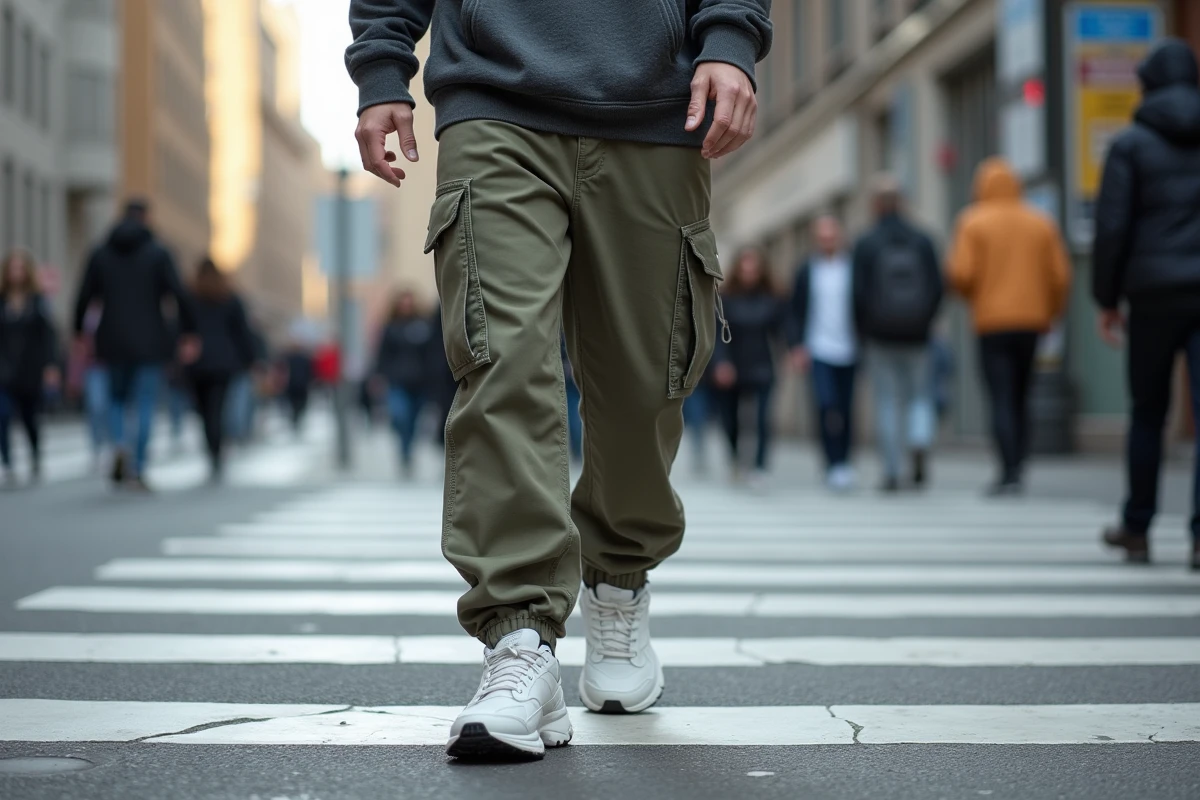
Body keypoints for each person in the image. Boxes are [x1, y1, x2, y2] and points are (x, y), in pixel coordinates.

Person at [348, 0, 770, 759]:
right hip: (492, 97)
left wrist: (731, 37)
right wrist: (382, 67)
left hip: (657, 104)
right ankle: (520, 640)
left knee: (646, 383)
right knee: (500, 364)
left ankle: (619, 580)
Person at [1090, 39, 1200, 571]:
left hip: (1153, 294)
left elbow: (1112, 228)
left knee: (1148, 413)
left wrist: (1107, 298)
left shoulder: (1130, 145)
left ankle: (1137, 527)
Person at [948, 158, 1071, 496]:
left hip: (991, 323)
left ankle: (1008, 470)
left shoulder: (973, 221)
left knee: (1000, 395)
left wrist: (975, 297)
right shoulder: (1040, 222)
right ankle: (1020, 464)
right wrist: (1050, 311)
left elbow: (960, 274)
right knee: (1022, 394)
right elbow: (1060, 277)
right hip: (1032, 322)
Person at [73, 200, 198, 491]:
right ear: (147, 218)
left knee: (116, 399)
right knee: (144, 403)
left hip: (111, 337)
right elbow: (179, 293)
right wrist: (189, 332)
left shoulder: (101, 252)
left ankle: (119, 443)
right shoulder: (158, 253)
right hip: (151, 340)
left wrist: (78, 332)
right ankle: (138, 466)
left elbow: (84, 295)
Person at [854, 178, 944, 493]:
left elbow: (858, 294)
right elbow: (937, 286)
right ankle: (919, 439)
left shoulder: (867, 243)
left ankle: (892, 471)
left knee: (887, 401)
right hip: (918, 334)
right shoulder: (922, 240)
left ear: (876, 205)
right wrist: (926, 321)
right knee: (920, 395)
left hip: (880, 336)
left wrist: (863, 330)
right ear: (902, 202)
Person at [787, 216, 859, 491]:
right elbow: (794, 310)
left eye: (831, 236)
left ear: (839, 237)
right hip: (817, 349)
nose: (827, 241)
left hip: (850, 349)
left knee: (846, 408)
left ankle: (844, 462)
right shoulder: (807, 270)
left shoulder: (852, 267)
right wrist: (796, 346)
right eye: (822, 237)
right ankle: (830, 461)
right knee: (825, 405)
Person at [712, 247, 784, 489]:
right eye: (745, 269)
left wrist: (794, 349)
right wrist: (721, 363)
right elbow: (717, 334)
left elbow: (783, 329)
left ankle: (760, 466)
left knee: (763, 419)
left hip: (762, 364)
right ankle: (735, 458)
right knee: (731, 419)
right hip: (732, 366)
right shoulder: (725, 299)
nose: (749, 274)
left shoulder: (772, 298)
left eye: (754, 270)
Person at [187, 259, 256, 482]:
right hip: (224, 362)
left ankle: (213, 449)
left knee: (205, 411)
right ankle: (216, 451)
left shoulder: (191, 297)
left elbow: (181, 328)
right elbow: (242, 331)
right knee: (217, 409)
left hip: (198, 362)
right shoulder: (229, 297)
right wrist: (251, 359)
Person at [0, 248, 59, 484]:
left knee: (29, 417)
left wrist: (51, 365)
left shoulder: (37, 301)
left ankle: (35, 455)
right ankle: (7, 463)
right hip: (3, 370)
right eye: (12, 268)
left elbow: (48, 335)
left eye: (20, 268)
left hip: (30, 369)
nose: (16, 273)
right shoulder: (2, 301)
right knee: (2, 415)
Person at [373, 289, 438, 476]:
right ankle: (404, 450)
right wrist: (378, 377)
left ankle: (408, 452)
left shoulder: (424, 327)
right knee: (400, 416)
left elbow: (432, 354)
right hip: (397, 382)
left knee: (414, 421)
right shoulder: (390, 328)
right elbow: (382, 356)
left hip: (421, 383)